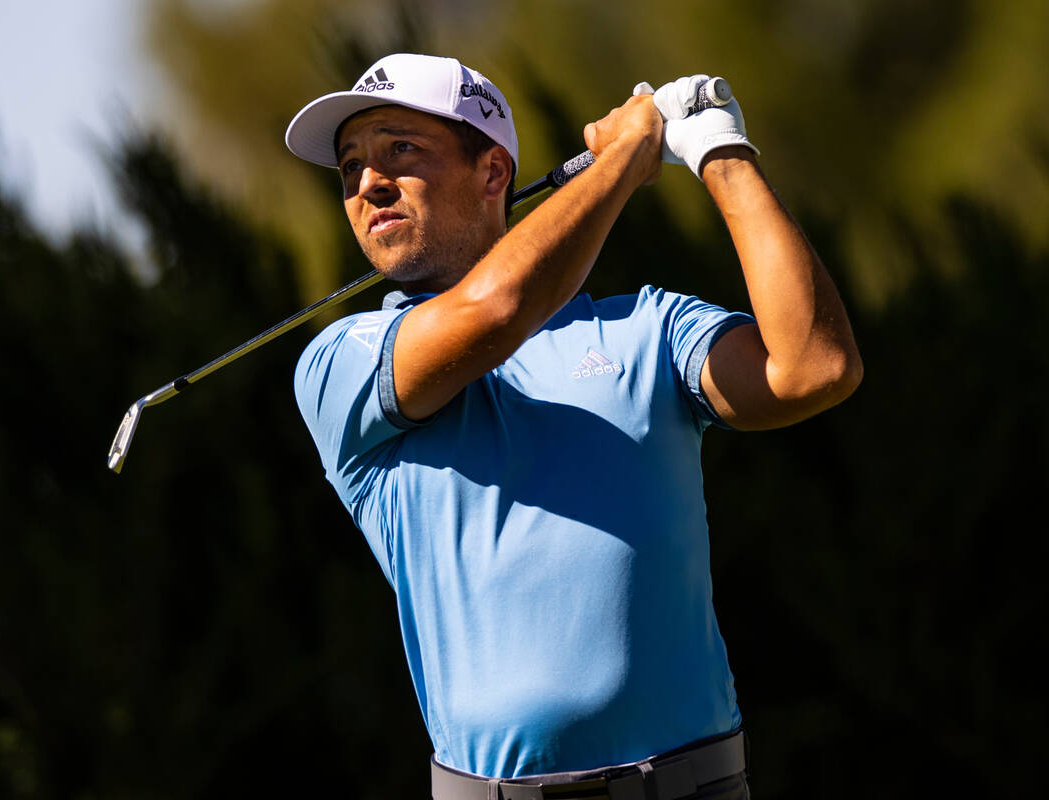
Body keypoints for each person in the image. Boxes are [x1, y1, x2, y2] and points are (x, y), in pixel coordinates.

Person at [285, 53, 861, 800]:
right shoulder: (339, 363)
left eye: (401, 149)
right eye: (350, 166)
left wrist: (719, 151)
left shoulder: (649, 328)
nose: (368, 182)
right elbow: (496, 309)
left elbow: (814, 367)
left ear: (495, 174)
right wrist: (623, 158)